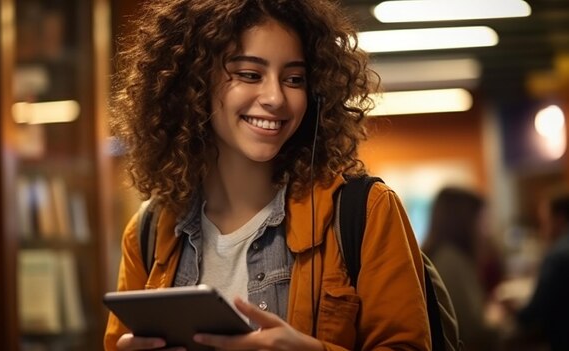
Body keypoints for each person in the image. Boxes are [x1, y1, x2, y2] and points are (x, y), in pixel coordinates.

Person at [104, 0, 430, 350]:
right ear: (193, 83)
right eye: (249, 74)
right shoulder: (149, 232)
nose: (276, 97)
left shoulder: (364, 212)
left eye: (294, 79)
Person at [422, 187, 500, 351]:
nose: (486, 230)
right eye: (482, 221)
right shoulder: (451, 262)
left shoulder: (448, 256)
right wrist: (506, 319)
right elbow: (474, 333)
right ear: (464, 222)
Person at [511, 189, 569, 350]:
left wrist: (512, 309)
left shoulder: (556, 256)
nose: (542, 229)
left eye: (545, 221)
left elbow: (532, 314)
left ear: (560, 219)